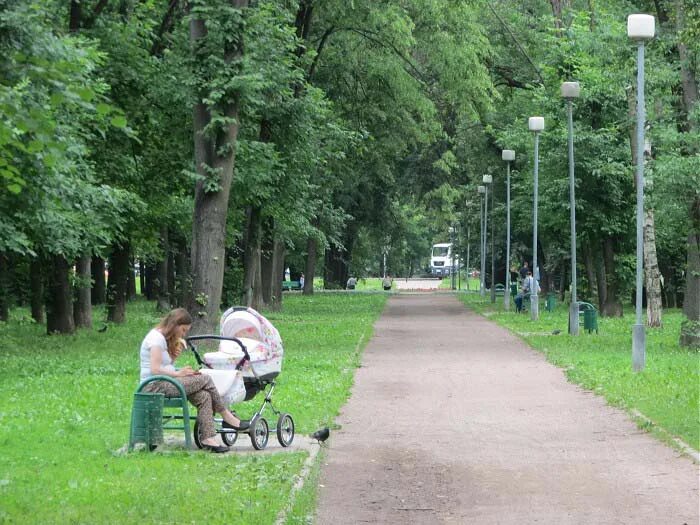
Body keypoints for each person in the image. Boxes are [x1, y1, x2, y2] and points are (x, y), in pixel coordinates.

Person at [139, 308, 249, 453]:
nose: (183, 334)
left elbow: (165, 366)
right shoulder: (156, 339)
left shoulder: (163, 339)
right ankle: (226, 415)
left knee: (204, 396)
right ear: (175, 325)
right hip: (154, 386)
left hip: (165, 382)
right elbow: (155, 369)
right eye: (183, 330)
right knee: (206, 378)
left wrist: (175, 361)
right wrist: (179, 374)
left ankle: (208, 438)